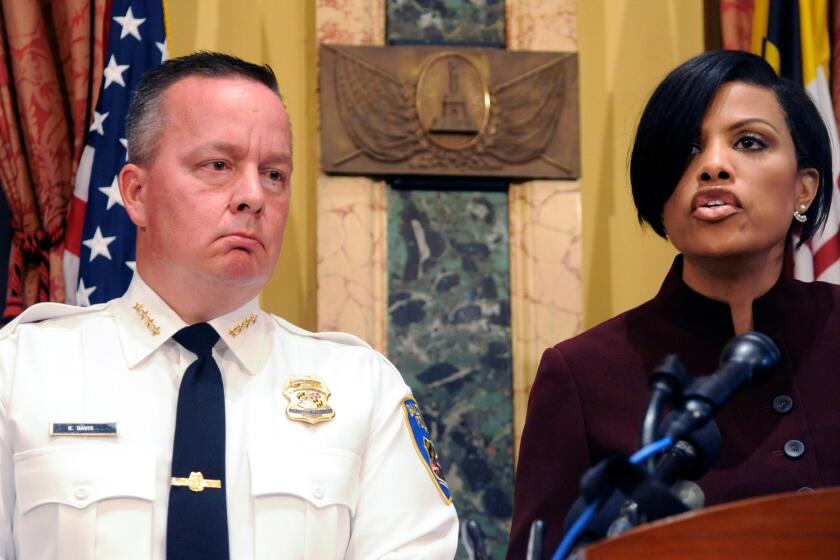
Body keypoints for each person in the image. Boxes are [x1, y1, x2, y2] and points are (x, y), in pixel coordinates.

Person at [0, 52, 458, 559]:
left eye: (274, 174)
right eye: (218, 165)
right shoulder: (20, 371)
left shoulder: (361, 389)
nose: (253, 196)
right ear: (136, 193)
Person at [508, 50, 840, 558]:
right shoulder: (582, 375)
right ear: (660, 193)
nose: (712, 166)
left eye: (750, 142)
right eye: (687, 148)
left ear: (804, 188)